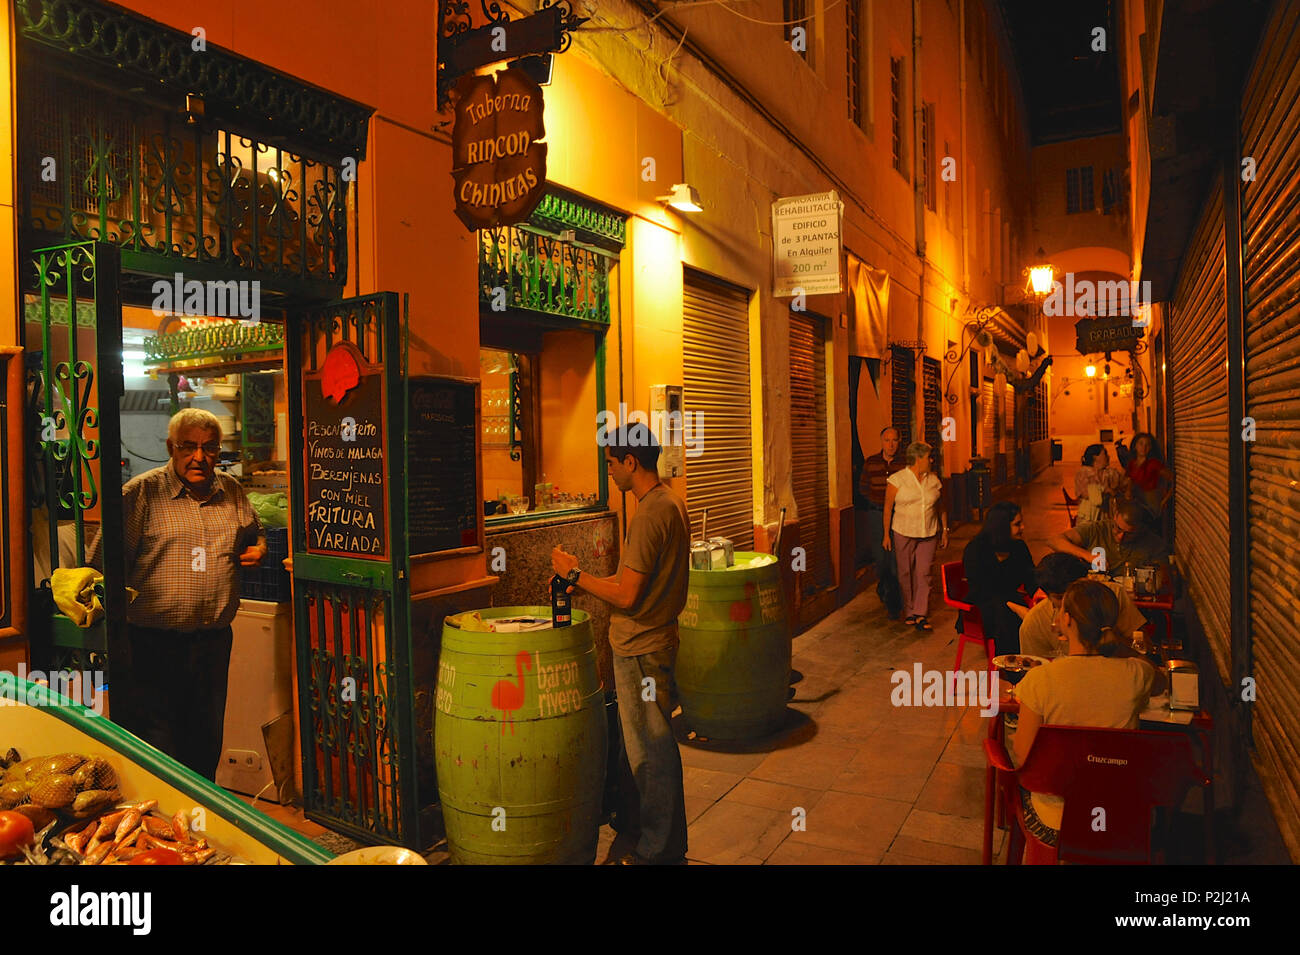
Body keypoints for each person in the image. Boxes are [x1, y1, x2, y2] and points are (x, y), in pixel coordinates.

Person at [88, 409, 265, 780]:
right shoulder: (140, 494)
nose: (199, 457)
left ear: (219, 452)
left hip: (212, 644)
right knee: (154, 749)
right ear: (171, 447)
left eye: (209, 448)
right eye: (189, 447)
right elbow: (100, 568)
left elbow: (254, 531)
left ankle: (198, 828)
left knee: (204, 743)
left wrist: (259, 546)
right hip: (149, 646)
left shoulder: (231, 492)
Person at [551, 424, 689, 866]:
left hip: (642, 648)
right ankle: (657, 837)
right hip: (653, 640)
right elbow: (633, 583)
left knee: (650, 751)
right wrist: (590, 584)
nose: (608, 471)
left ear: (631, 462)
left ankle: (656, 848)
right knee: (651, 746)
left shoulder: (651, 513)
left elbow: (629, 597)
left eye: (611, 462)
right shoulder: (668, 502)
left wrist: (576, 575)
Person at [1012, 580, 1167, 847]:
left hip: (1056, 821)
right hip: (1121, 815)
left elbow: (1024, 756)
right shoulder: (1136, 674)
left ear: (1067, 620)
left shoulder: (1040, 680)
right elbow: (1162, 683)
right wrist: (1118, 647)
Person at [1012, 553, 1148, 659]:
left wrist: (1110, 638)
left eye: (1076, 591)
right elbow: (1035, 673)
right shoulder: (1035, 624)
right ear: (1048, 597)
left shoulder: (1112, 596)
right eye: (1060, 597)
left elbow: (1143, 647)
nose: (1070, 601)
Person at [882, 441, 948, 631]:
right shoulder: (897, 479)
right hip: (903, 530)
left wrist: (944, 530)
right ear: (918, 459)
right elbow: (888, 508)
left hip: (928, 532)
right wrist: (886, 534)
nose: (932, 460)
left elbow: (941, 506)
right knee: (905, 572)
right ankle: (909, 610)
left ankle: (921, 613)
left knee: (924, 572)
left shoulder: (933, 480)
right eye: (929, 457)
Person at [961, 501, 1035, 655]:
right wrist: (1014, 606)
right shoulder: (976, 549)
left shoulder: (1019, 547)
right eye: (1017, 524)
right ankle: (1011, 668)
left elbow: (1031, 579)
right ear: (1002, 526)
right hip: (981, 607)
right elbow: (982, 589)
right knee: (1005, 613)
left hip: (1010, 602)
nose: (1023, 528)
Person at [1048, 501, 1170, 584]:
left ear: (1141, 529)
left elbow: (1164, 579)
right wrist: (1088, 556)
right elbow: (1054, 541)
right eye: (1118, 528)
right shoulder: (1097, 530)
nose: (1121, 536)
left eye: (1129, 534)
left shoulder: (1154, 544)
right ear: (1115, 516)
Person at [859, 427, 907, 617]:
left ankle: (894, 601)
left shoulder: (904, 464)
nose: (891, 444)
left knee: (896, 557)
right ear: (881, 442)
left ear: (899, 442)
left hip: (899, 515)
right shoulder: (871, 463)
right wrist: (876, 500)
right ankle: (884, 586)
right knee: (880, 557)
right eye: (887, 440)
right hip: (877, 514)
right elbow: (862, 487)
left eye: (894, 440)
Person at [1125, 432, 1175, 524]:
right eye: (1141, 443)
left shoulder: (1153, 464)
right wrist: (1128, 490)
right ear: (1135, 446)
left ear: (1150, 448)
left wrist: (1165, 500)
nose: (1143, 447)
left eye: (1147, 445)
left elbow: (1173, 480)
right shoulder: (1132, 464)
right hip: (1136, 504)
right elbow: (1130, 480)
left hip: (1150, 506)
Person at [1074, 444, 1129, 525]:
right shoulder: (1083, 473)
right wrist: (1105, 490)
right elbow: (1086, 493)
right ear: (1095, 457)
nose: (1108, 456)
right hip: (1088, 519)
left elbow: (1124, 484)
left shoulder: (1111, 473)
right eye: (1105, 453)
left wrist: (1126, 463)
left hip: (1105, 519)